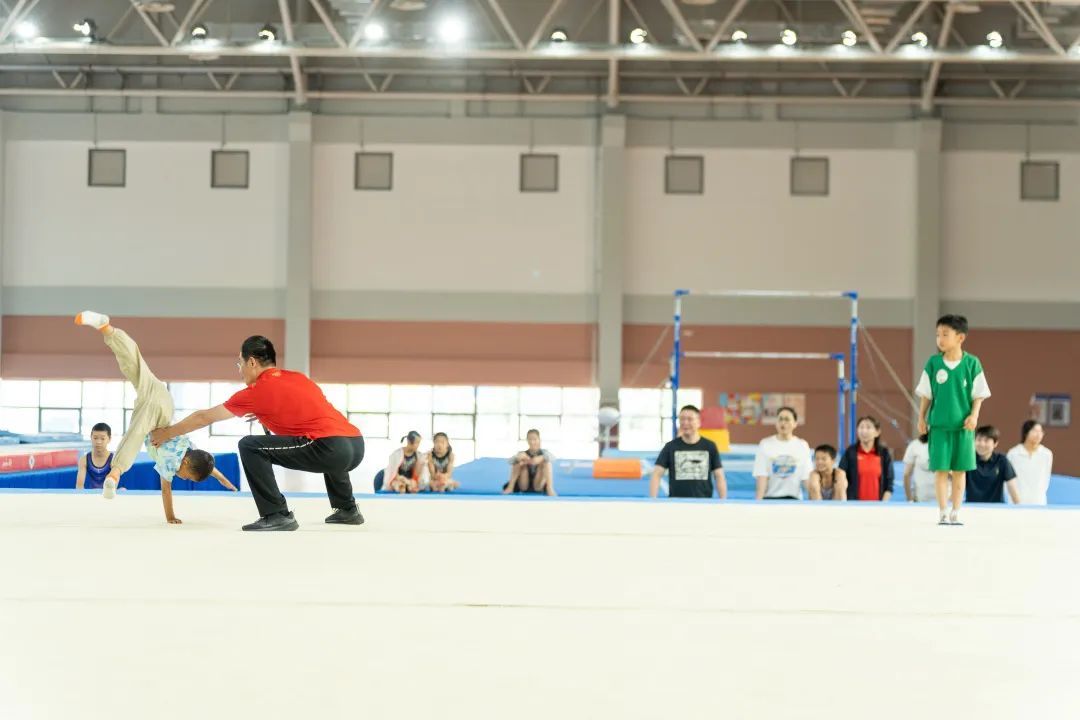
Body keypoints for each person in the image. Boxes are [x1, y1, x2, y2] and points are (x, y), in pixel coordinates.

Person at [149, 335, 364, 532]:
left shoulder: (257, 391)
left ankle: (276, 514)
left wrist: (166, 433)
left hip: (330, 448)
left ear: (251, 362)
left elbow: (204, 417)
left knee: (249, 446)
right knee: (324, 432)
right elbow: (309, 413)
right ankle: (347, 509)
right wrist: (267, 413)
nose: (240, 370)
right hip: (355, 444)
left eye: (240, 363)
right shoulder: (297, 377)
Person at [75, 312, 236, 524]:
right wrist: (171, 517)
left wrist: (223, 479)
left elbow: (207, 465)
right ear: (186, 462)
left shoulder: (190, 449)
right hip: (155, 417)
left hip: (163, 400)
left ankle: (107, 329)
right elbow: (166, 491)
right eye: (187, 475)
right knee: (136, 433)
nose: (183, 478)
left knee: (135, 365)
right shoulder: (171, 464)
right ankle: (115, 474)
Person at [916, 314, 991, 526]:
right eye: (937, 335)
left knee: (959, 471)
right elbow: (926, 394)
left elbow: (978, 395)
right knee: (940, 470)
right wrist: (921, 418)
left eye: (945, 334)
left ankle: (956, 511)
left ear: (960, 337)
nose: (939, 339)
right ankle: (942, 511)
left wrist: (974, 415)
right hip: (939, 426)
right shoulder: (933, 363)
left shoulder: (972, 363)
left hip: (963, 428)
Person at [649, 405, 726, 499]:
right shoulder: (670, 447)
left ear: (699, 422)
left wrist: (723, 501)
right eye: (682, 419)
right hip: (676, 502)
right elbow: (656, 474)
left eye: (690, 419)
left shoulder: (709, 446)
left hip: (703, 502)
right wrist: (653, 500)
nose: (685, 422)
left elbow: (719, 476)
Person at [752, 406, 814, 500]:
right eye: (780, 419)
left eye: (787, 419)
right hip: (770, 498)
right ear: (776, 423)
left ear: (795, 424)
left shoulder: (802, 445)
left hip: (794, 499)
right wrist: (758, 503)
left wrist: (815, 502)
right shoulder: (765, 444)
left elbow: (806, 478)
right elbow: (762, 477)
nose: (783, 423)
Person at [838, 416, 895, 502]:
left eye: (868, 427)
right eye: (861, 427)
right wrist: (845, 502)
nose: (864, 431)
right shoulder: (850, 452)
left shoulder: (884, 454)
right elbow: (841, 475)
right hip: (854, 504)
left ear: (877, 432)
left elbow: (889, 483)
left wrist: (883, 504)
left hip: (878, 505)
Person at [966, 425, 1020, 504]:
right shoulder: (968, 459)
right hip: (972, 507)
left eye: (986, 441)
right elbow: (957, 485)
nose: (982, 444)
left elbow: (1012, 487)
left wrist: (1019, 507)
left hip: (996, 508)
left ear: (995, 443)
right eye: (979, 440)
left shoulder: (1002, 460)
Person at [1006, 420, 1054, 505]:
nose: (1038, 434)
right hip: (1017, 503)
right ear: (1026, 433)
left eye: (1040, 431)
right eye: (1035, 431)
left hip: (1039, 501)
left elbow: (1046, 478)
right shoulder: (1013, 453)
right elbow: (1008, 480)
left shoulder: (1046, 454)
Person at [504, 429, 555, 496]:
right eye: (530, 439)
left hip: (538, 485)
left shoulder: (544, 452)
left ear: (539, 440)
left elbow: (553, 458)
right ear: (527, 440)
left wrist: (542, 458)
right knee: (518, 462)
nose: (532, 442)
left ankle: (549, 488)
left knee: (547, 462)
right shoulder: (523, 453)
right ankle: (510, 487)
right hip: (524, 485)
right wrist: (518, 457)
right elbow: (509, 461)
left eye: (534, 439)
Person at [76, 422, 113, 490]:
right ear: (91, 437)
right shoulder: (84, 460)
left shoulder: (114, 460)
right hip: (91, 494)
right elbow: (79, 487)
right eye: (95, 438)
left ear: (109, 439)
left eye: (102, 439)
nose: (98, 442)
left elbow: (113, 484)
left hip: (108, 494)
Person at [902, 433, 936, 503]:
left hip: (945, 500)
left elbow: (956, 474)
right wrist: (909, 499)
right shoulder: (914, 445)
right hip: (921, 500)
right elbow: (906, 474)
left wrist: (951, 498)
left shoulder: (948, 443)